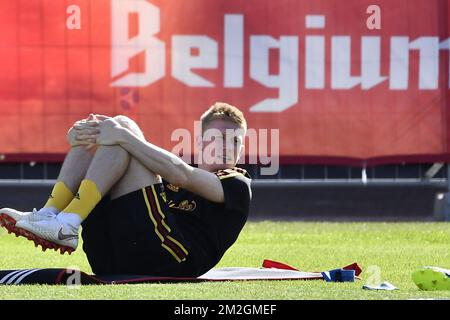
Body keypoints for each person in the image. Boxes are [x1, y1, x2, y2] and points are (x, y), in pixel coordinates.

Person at [0, 102, 252, 277]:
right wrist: (83, 135)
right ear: (200, 141)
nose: (226, 145)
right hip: (109, 258)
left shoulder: (236, 183)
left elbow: (182, 174)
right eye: (218, 138)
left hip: (171, 262)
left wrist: (121, 133)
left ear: (242, 148)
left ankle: (68, 221)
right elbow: (165, 168)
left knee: (122, 130)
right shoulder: (168, 173)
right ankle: (50, 213)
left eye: (235, 140)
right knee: (105, 129)